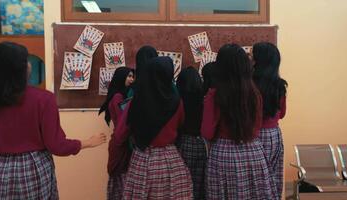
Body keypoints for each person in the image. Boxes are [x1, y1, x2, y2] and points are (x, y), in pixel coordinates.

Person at [0, 42, 106, 199]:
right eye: (25, 61)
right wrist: (87, 142)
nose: (29, 65)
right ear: (19, 69)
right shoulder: (42, 99)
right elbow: (56, 145)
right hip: (32, 169)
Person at [201, 43, 278, 200]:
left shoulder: (215, 95)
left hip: (223, 157)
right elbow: (256, 128)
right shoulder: (255, 93)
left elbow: (207, 132)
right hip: (254, 153)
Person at [114, 57, 193, 199]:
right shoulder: (177, 102)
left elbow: (120, 135)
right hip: (172, 162)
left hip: (143, 160)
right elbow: (181, 124)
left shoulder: (135, 102)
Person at [253, 42, 287, 199]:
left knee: (255, 180)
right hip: (274, 135)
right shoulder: (280, 85)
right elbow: (282, 114)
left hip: (253, 135)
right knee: (273, 177)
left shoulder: (250, 83)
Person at [99, 67, 134, 200]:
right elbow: (122, 123)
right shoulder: (118, 97)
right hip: (120, 144)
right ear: (121, 77)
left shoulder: (121, 95)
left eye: (132, 77)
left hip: (120, 142)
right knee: (121, 183)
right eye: (129, 76)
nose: (131, 79)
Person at [175, 66, 206, 200]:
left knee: (184, 186)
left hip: (185, 142)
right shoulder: (204, 100)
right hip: (202, 144)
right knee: (199, 185)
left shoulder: (178, 101)